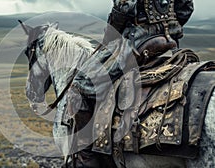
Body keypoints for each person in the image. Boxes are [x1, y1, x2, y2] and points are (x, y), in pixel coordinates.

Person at [64, 0, 194, 167]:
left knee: (80, 86)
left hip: (139, 41)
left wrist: (112, 31)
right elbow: (186, 9)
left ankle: (87, 159)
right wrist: (166, 26)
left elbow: (125, 7)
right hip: (171, 39)